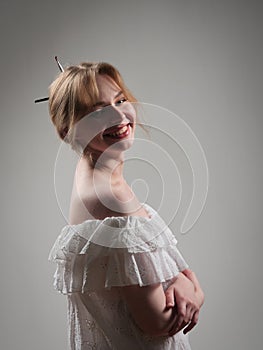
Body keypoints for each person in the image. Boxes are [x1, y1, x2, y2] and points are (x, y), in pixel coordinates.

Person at [48, 62, 204, 350]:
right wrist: (192, 287)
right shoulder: (114, 201)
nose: (118, 115)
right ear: (69, 130)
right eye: (97, 111)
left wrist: (184, 283)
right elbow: (158, 323)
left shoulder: (90, 174)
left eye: (120, 100)